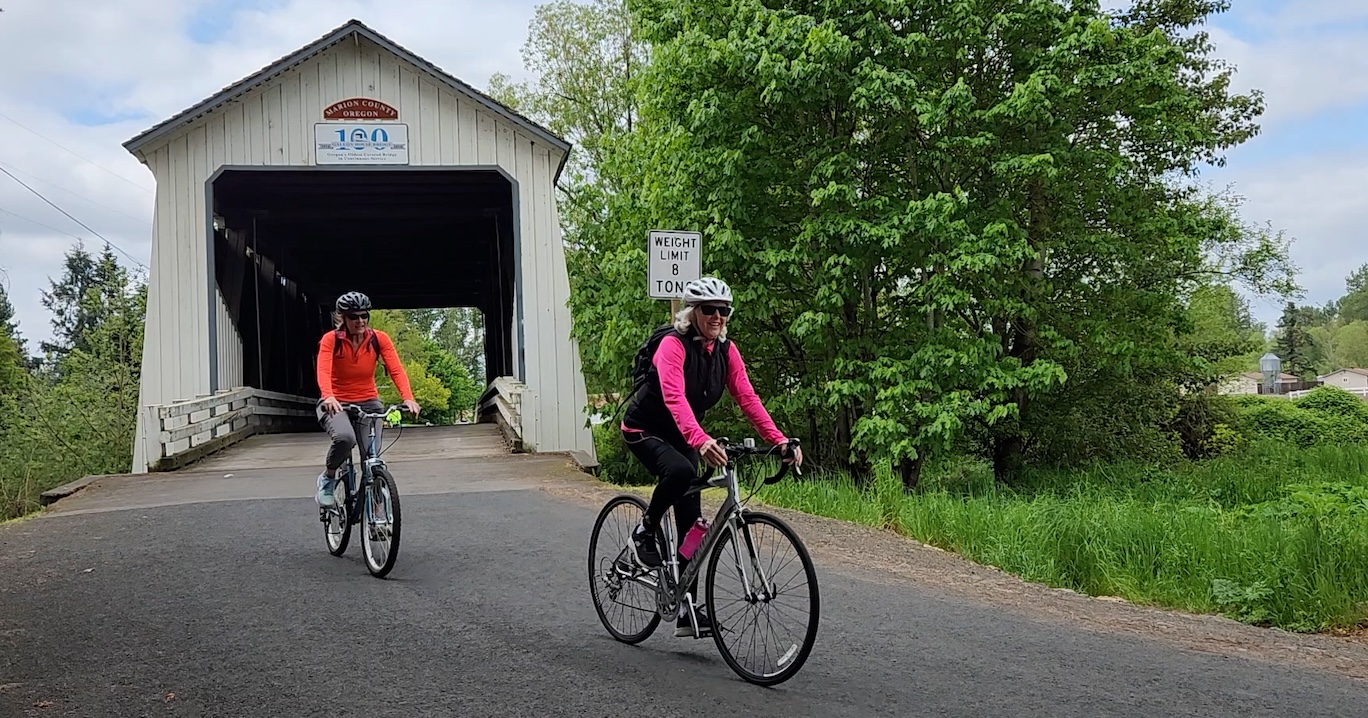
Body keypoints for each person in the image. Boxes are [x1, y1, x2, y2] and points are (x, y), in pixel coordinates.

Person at [620, 276, 803, 637]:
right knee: (679, 470)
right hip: (644, 428)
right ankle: (644, 532)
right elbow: (674, 398)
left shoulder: (725, 351)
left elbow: (748, 399)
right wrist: (700, 440)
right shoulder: (673, 346)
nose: (717, 316)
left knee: (693, 526)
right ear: (693, 312)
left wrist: (779, 440)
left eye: (723, 310)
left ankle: (685, 607)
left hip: (684, 432)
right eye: (709, 310)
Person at [314, 291, 420, 507]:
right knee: (345, 438)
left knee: (371, 456)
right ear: (342, 318)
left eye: (364, 316)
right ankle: (328, 477)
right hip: (337, 403)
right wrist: (328, 396)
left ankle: (376, 515)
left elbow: (396, 369)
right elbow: (323, 369)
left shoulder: (378, 339)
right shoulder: (331, 340)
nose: (360, 321)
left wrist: (408, 397)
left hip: (369, 401)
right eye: (354, 317)